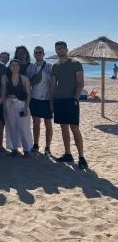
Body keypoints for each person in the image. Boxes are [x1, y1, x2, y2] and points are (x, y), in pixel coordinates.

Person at [50, 41, 88, 169]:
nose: (60, 50)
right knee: (63, 128)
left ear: (67, 49)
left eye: (62, 48)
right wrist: (52, 99)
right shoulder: (55, 66)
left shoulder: (75, 63)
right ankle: (68, 153)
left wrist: (76, 98)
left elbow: (80, 83)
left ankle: (81, 157)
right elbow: (53, 84)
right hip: (59, 100)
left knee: (74, 128)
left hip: (71, 100)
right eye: (57, 49)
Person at [25, 46, 53, 156]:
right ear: (34, 54)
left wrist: (52, 99)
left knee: (48, 123)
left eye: (40, 52)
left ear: (44, 53)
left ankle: (47, 147)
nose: (38, 54)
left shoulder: (50, 66)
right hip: (34, 98)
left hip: (46, 99)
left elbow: (53, 83)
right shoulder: (30, 67)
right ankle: (36, 144)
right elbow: (27, 83)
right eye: (36, 52)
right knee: (36, 123)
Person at [5, 59, 33, 156]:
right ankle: (14, 148)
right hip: (9, 104)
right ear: (10, 67)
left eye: (17, 65)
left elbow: (29, 94)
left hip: (21, 104)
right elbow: (4, 94)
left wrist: (26, 107)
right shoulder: (7, 79)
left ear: (19, 67)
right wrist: (5, 107)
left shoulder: (24, 78)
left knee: (24, 127)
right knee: (12, 127)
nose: (15, 67)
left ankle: (27, 149)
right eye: (12, 65)